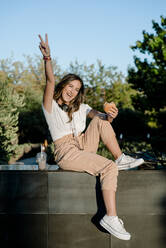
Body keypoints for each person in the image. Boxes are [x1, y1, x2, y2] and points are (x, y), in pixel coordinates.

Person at [38, 34, 144, 241]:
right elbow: (49, 80)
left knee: (101, 120)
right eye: (70, 87)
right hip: (66, 151)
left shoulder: (82, 108)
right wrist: (47, 58)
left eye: (77, 90)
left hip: (83, 146)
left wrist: (111, 115)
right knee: (108, 167)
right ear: (63, 86)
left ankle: (120, 157)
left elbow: (101, 118)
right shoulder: (50, 107)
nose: (73, 92)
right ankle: (110, 217)